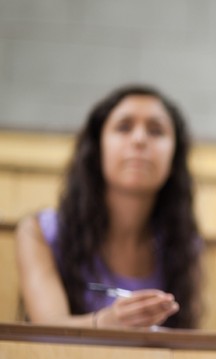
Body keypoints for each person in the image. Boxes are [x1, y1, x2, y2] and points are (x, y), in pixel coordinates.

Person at [15, 84, 203, 329]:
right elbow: (48, 332)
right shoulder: (38, 232)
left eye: (156, 131)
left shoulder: (184, 242)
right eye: (124, 127)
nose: (139, 140)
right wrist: (108, 322)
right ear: (97, 148)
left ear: (174, 156)